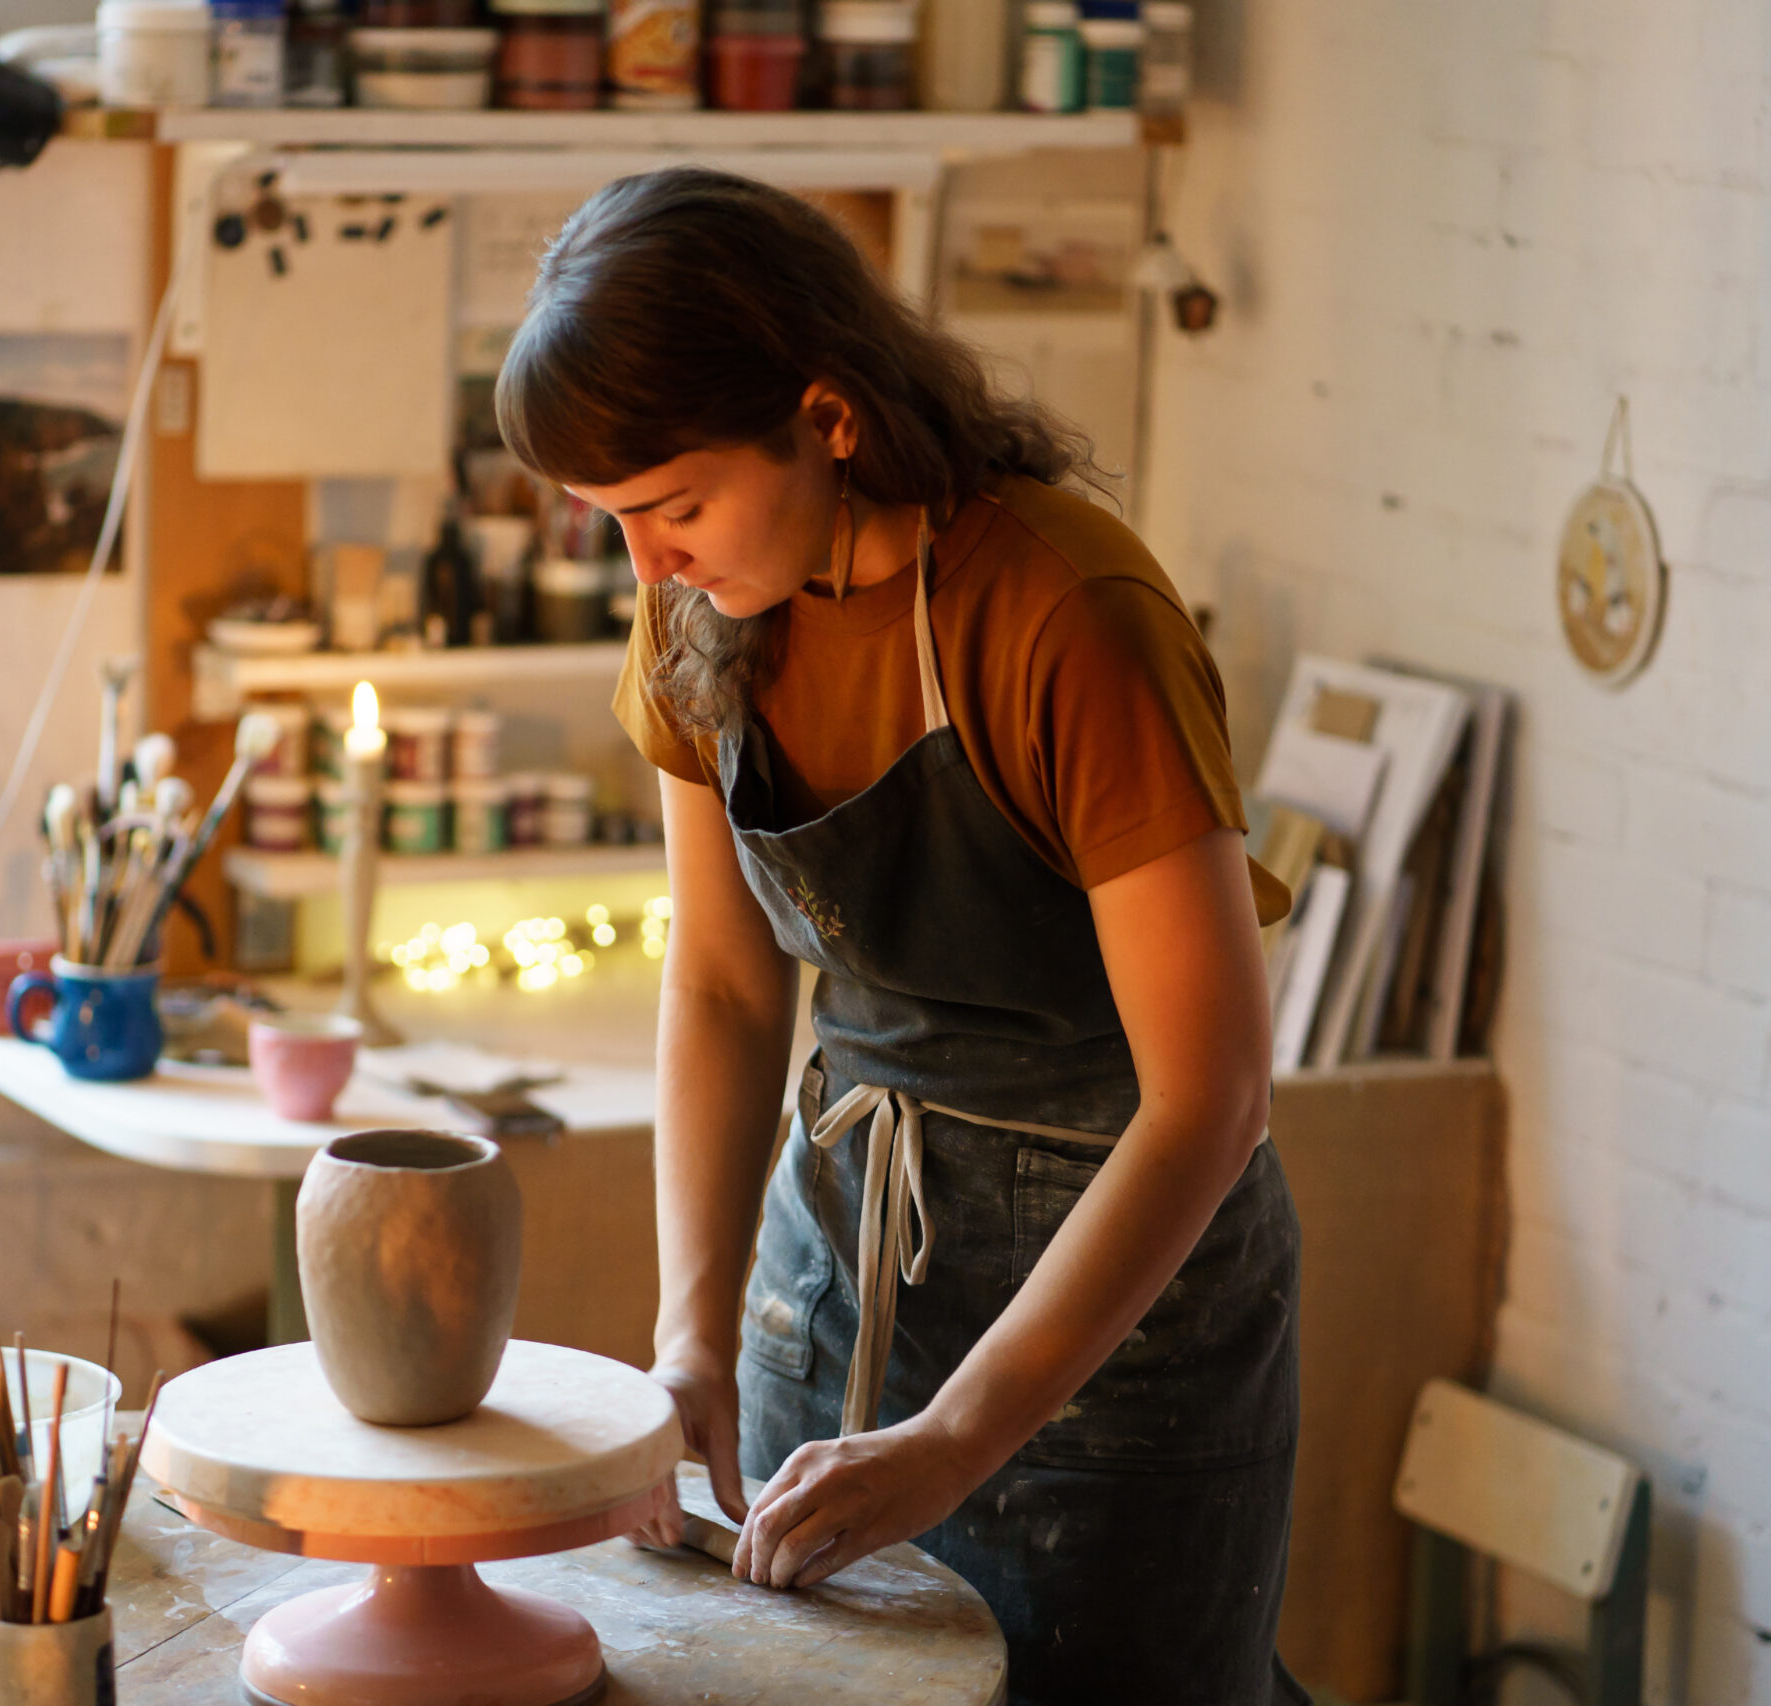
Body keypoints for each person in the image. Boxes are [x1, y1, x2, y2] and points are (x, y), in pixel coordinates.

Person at [497, 167, 1307, 1705]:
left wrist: (957, 1437)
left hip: (1119, 1308)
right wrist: (694, 1343)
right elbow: (732, 990)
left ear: (829, 416)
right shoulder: (695, 619)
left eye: (673, 506)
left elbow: (1213, 1096)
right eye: (613, 521)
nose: (644, 567)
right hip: (848, 1253)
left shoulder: (1068, 613)